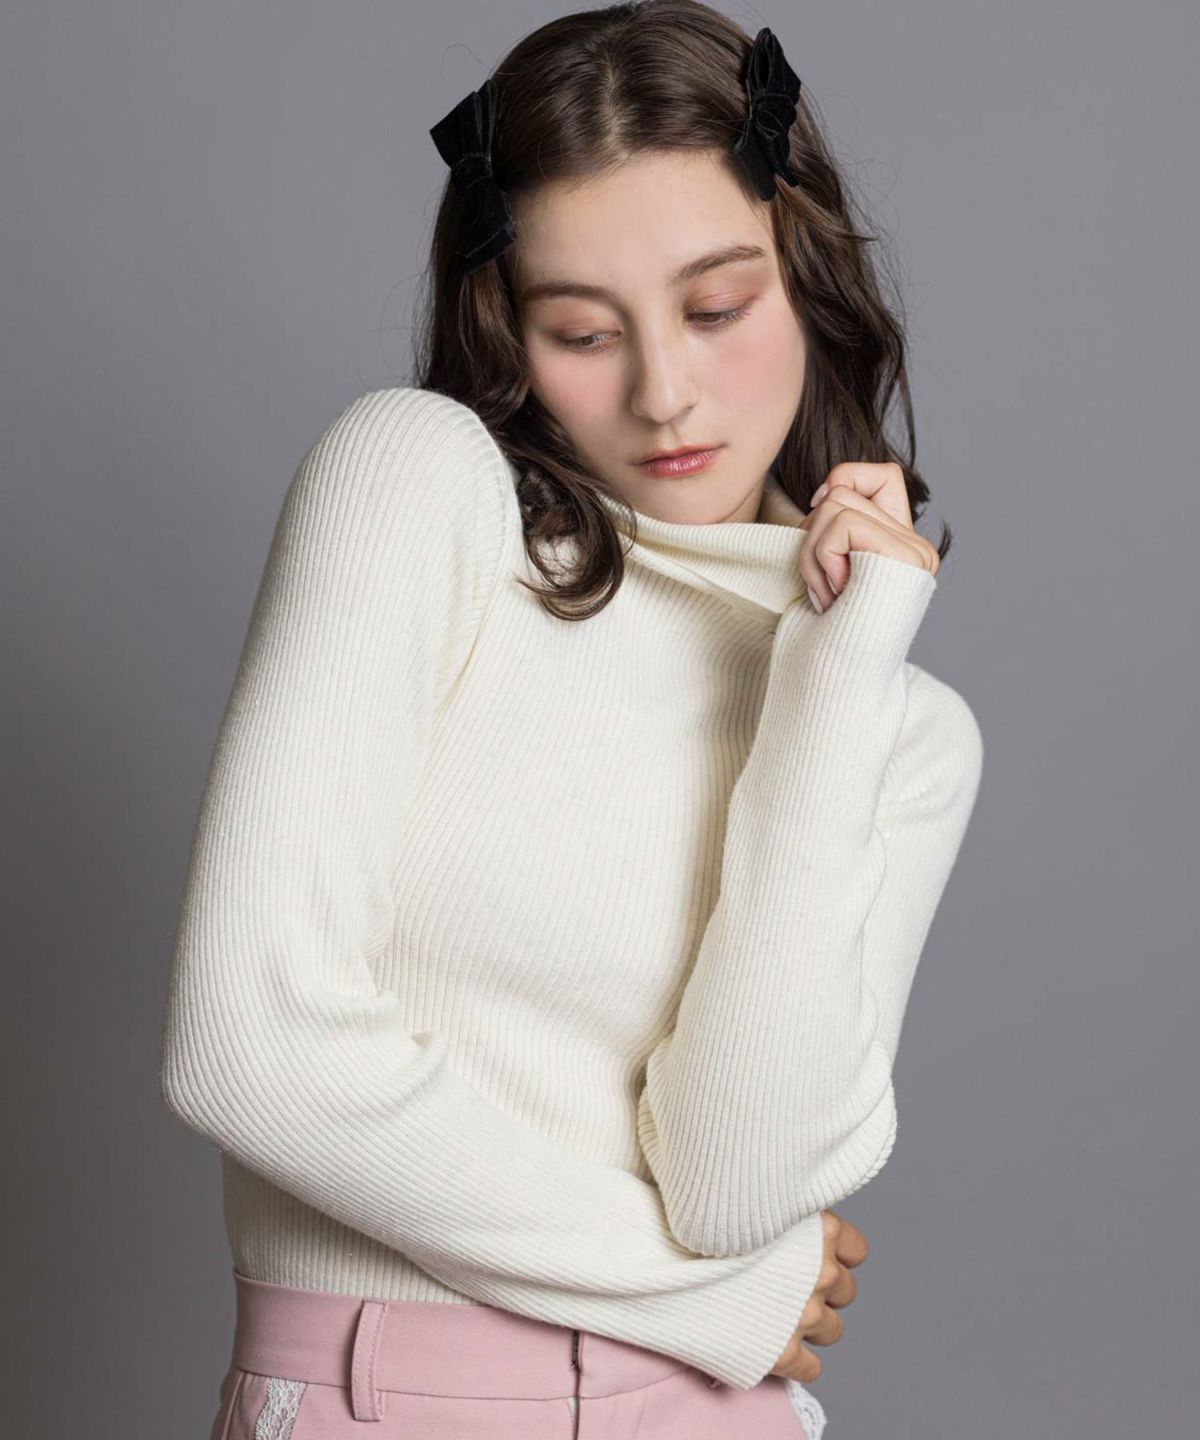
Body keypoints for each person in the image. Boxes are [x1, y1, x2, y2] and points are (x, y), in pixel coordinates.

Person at [159, 4, 984, 1437]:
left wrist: (836, 674)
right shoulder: (422, 489)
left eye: (717, 309)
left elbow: (735, 1181)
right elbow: (251, 1044)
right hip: (388, 1401)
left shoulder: (900, 728)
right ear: (510, 333)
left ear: (809, 282)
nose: (665, 393)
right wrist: (708, 1301)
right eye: (583, 332)